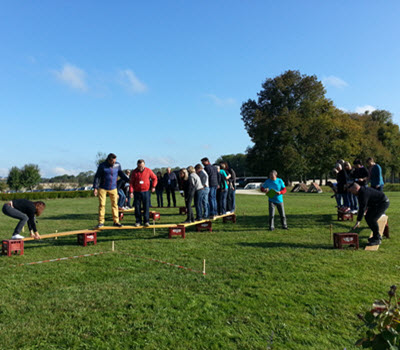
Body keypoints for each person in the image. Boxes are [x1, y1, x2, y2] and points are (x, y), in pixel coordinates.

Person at [93, 153, 129, 228]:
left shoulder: (117, 165)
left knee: (115, 205)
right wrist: (95, 188)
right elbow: (97, 177)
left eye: (115, 161)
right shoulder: (102, 166)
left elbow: (121, 174)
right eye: (112, 161)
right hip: (102, 188)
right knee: (102, 205)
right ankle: (101, 222)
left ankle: (116, 221)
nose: (114, 163)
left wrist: (129, 180)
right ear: (108, 160)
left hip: (113, 188)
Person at [129, 159, 158, 227]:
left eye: (142, 166)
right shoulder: (134, 172)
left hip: (146, 192)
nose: (141, 168)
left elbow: (155, 178)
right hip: (137, 192)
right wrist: (131, 192)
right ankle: (138, 221)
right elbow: (131, 183)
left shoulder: (148, 170)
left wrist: (153, 186)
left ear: (144, 165)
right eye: (139, 166)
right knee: (137, 207)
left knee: (146, 207)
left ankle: (146, 221)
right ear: (137, 166)